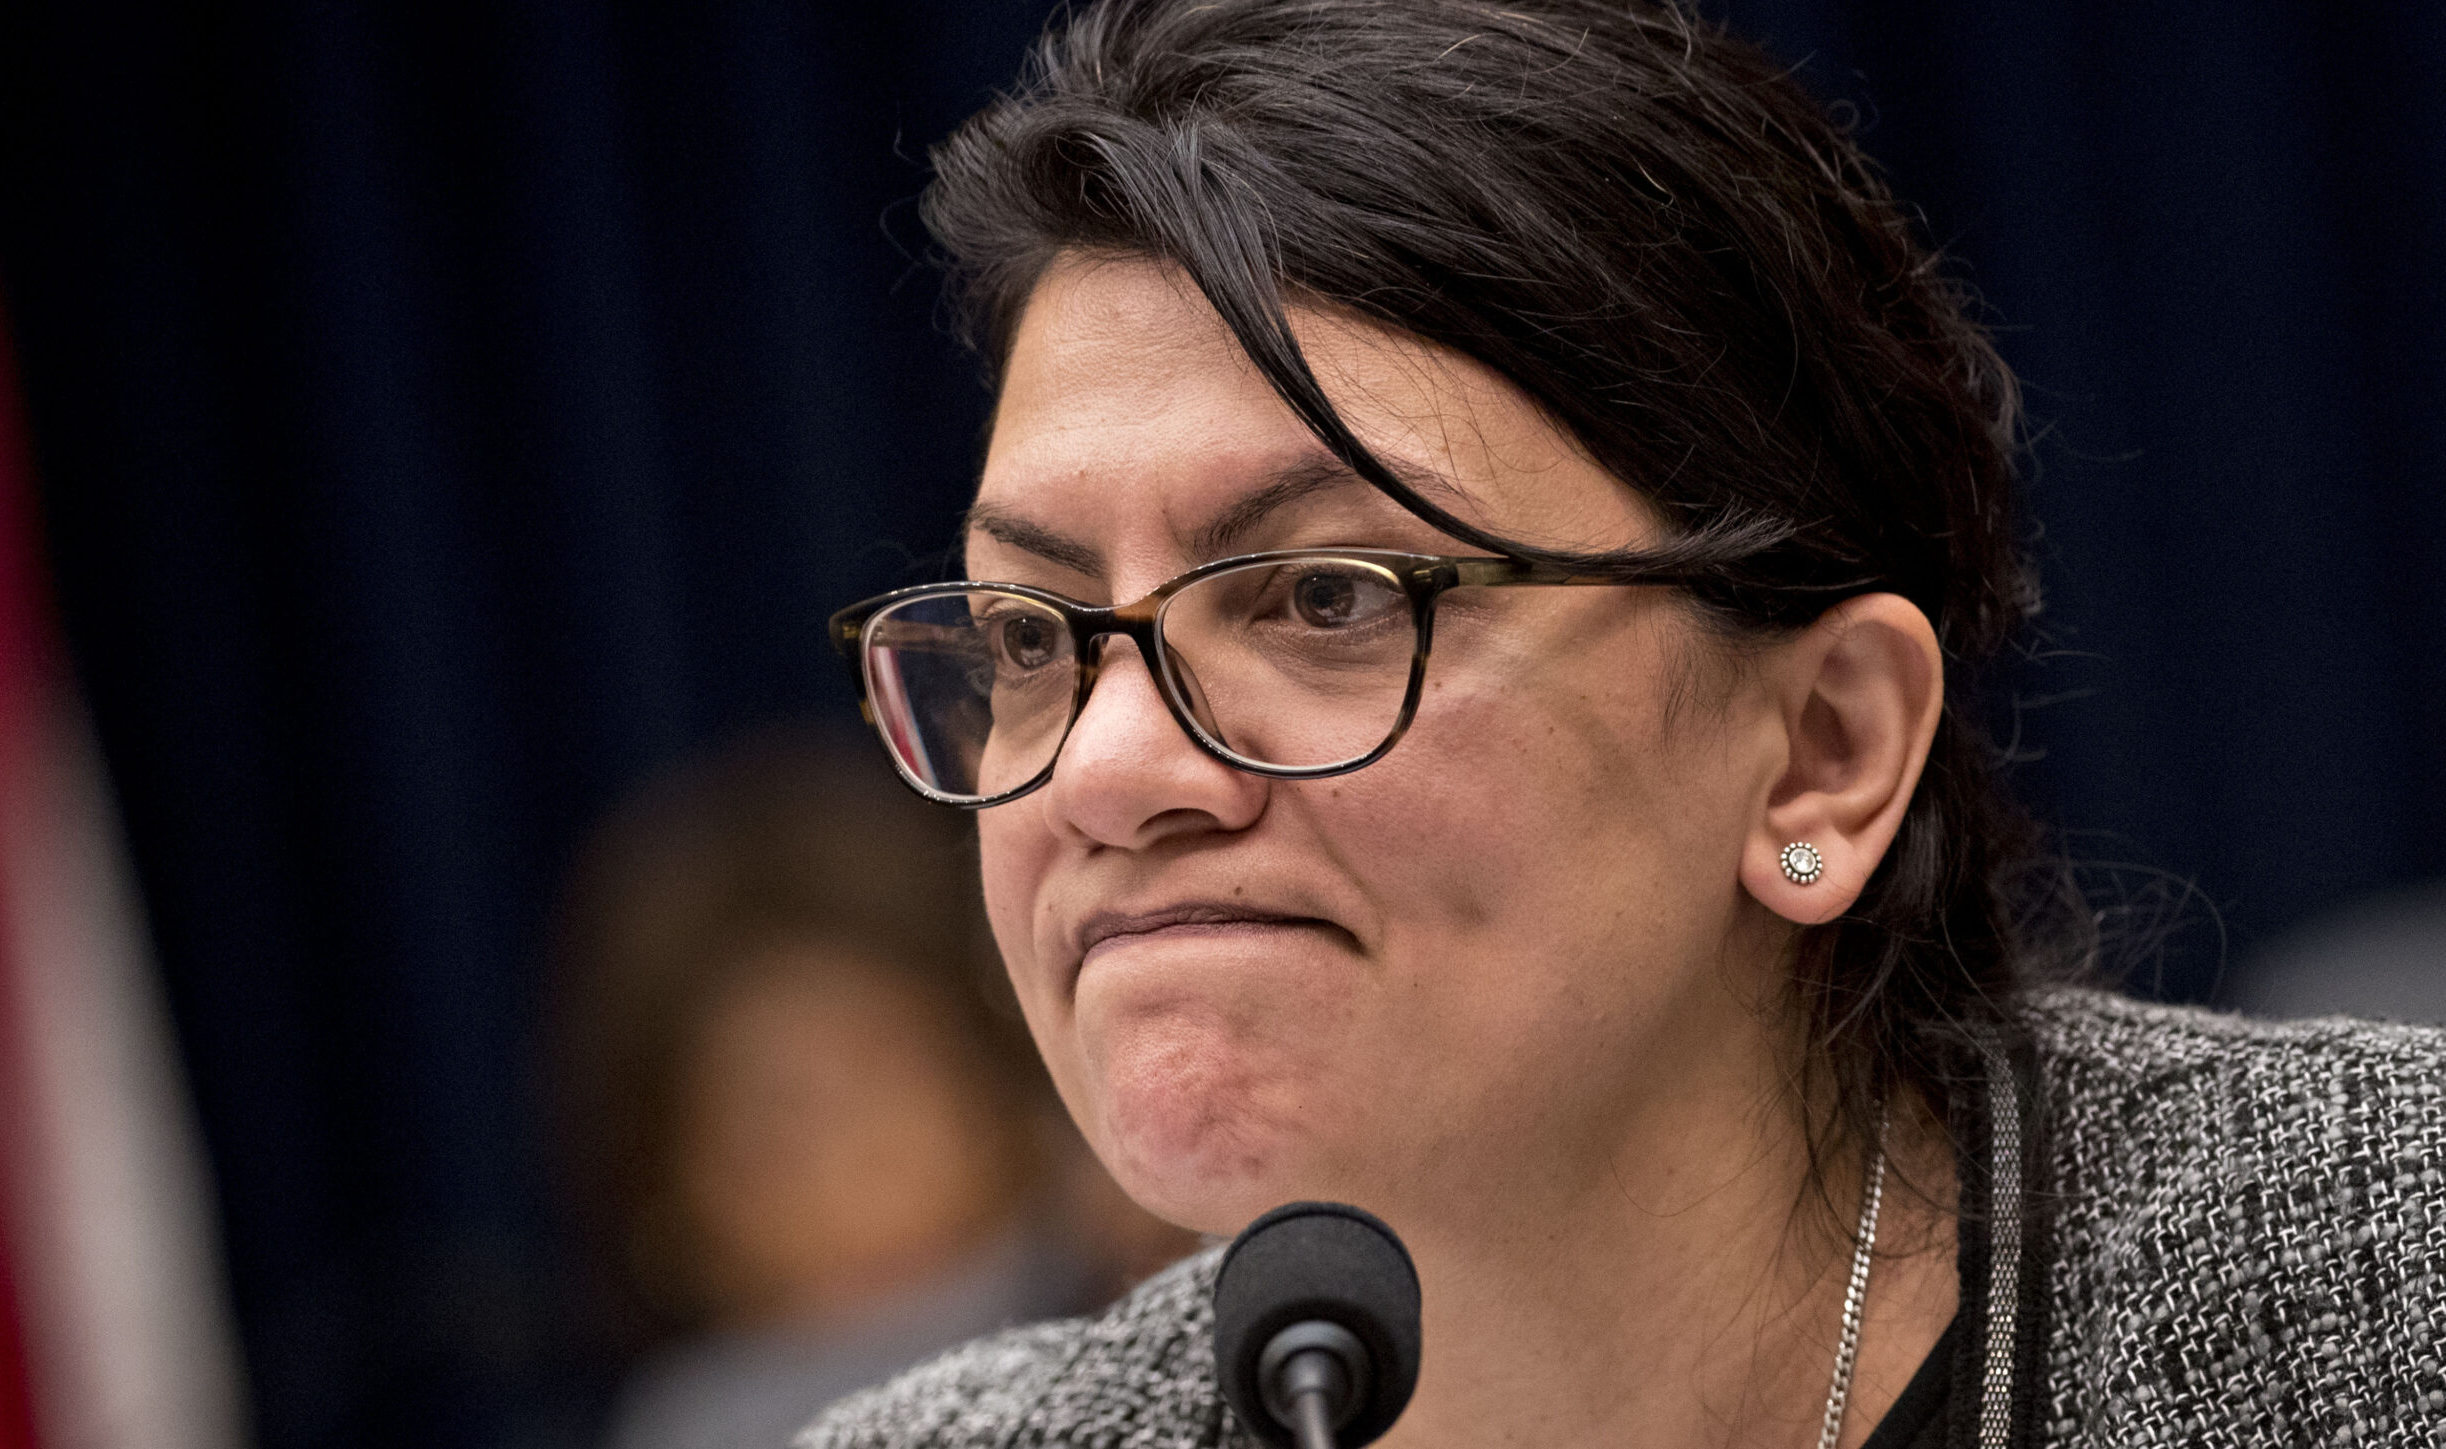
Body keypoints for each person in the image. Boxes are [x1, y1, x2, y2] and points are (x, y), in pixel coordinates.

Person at [791, 1, 2446, 1445]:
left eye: (1330, 597)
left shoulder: (2384, 1289)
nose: (1104, 768)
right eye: (1030, 633)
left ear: (1825, 750)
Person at [547, 732, 1192, 1449]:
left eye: (881, 1071)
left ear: (995, 1078)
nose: (855, 1156)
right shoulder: (706, 1423)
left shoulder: (1161, 1264)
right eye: (777, 1128)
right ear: (672, 1212)